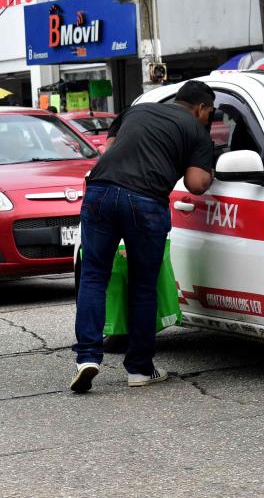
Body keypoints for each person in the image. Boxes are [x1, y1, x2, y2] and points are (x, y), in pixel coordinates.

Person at [70, 80, 216, 393]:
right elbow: (196, 183)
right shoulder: (196, 130)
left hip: (100, 191)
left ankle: (87, 357)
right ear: (202, 107)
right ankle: (139, 369)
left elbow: (110, 149)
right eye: (209, 112)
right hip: (145, 201)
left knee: (94, 276)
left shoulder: (137, 110)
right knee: (143, 285)